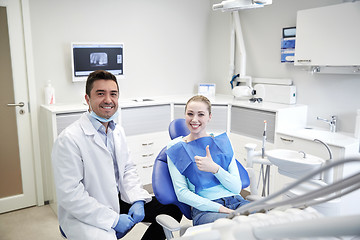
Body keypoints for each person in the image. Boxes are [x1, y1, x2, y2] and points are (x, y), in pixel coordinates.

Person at [52, 70, 182, 240]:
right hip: (85, 213)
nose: (108, 100)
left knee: (172, 209)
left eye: (113, 94)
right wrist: (113, 220)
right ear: (87, 99)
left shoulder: (117, 131)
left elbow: (128, 169)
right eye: (100, 94)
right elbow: (71, 196)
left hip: (118, 199)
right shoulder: (69, 139)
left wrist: (137, 200)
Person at [166, 95, 250, 226]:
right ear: (185, 116)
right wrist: (220, 209)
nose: (194, 119)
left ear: (209, 117)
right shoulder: (176, 148)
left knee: (267, 219)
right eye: (190, 114)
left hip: (237, 201)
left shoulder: (221, 142)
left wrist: (215, 169)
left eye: (201, 114)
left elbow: (236, 187)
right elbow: (182, 193)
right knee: (233, 226)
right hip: (206, 209)